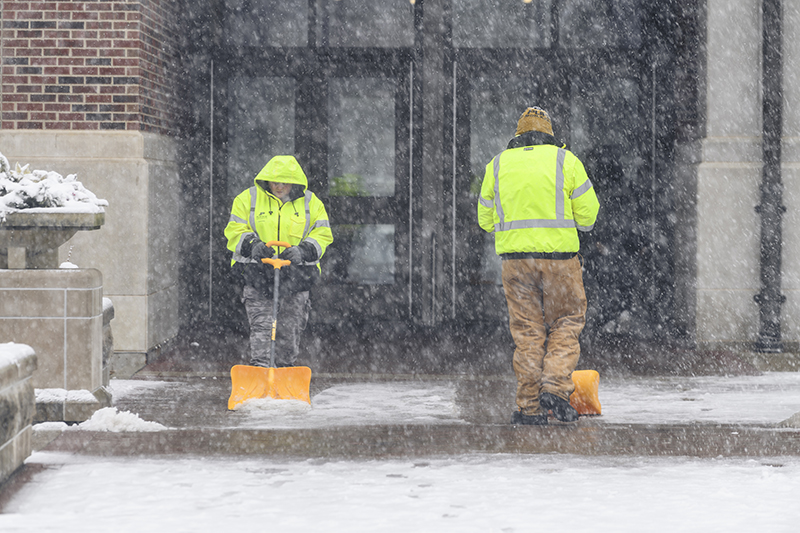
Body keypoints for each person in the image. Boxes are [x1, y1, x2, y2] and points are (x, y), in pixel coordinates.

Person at [477, 107, 600, 425]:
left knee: (528, 333)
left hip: (516, 264)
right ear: (550, 134)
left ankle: (529, 408)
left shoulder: (498, 164)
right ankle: (556, 390)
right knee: (566, 324)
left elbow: (484, 220)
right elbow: (588, 218)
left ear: (518, 136)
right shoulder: (566, 161)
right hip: (560, 262)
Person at [225, 155, 333, 368]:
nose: (279, 186)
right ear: (267, 180)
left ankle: (284, 375)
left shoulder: (311, 203)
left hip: (296, 278)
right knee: (262, 332)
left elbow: (322, 233)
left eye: (284, 182)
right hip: (257, 276)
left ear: (294, 182)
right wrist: (253, 245)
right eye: (275, 181)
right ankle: (262, 375)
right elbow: (234, 230)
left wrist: (304, 250)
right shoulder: (247, 199)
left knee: (288, 332)